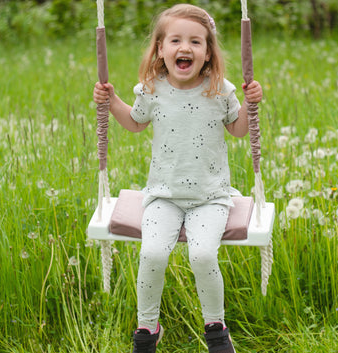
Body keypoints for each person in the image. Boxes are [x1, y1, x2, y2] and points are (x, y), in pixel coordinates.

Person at [93, 4, 263, 353]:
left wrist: (250, 104)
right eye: (175, 40)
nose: (185, 48)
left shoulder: (220, 91)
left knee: (202, 256)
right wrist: (110, 102)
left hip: (211, 197)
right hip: (163, 196)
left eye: (195, 42)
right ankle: (147, 328)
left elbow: (239, 130)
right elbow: (135, 122)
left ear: (208, 53)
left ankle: (216, 328)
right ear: (160, 49)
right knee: (152, 254)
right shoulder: (151, 89)